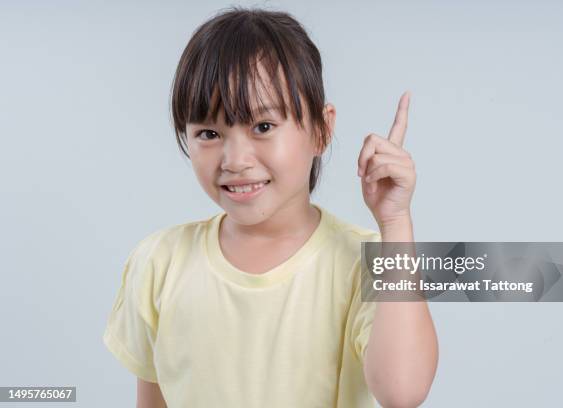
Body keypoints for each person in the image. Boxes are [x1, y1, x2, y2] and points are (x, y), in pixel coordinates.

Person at [103, 6, 438, 408]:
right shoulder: (159, 262)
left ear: (321, 129)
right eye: (209, 133)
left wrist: (395, 222)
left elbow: (402, 392)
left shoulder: (364, 263)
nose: (235, 159)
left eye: (262, 126)